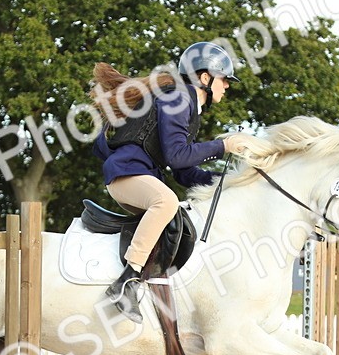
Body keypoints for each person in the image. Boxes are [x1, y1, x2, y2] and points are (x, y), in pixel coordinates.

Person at [91, 41, 252, 322]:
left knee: (178, 218)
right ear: (206, 77)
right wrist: (222, 145)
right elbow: (178, 157)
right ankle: (125, 283)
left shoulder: (186, 106)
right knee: (166, 201)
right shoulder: (180, 99)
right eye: (224, 79)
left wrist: (226, 182)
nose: (227, 86)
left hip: (137, 174)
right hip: (128, 174)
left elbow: (183, 172)